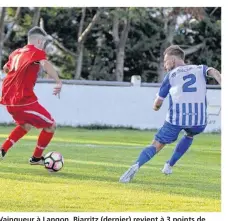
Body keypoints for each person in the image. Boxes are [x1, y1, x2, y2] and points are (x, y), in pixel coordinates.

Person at [119, 45, 221, 183]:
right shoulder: (200, 68)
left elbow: (158, 103)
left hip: (176, 120)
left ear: (173, 60)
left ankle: (135, 166)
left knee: (157, 144)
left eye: (166, 61)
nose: (165, 65)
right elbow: (213, 71)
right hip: (199, 121)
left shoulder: (171, 76)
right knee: (190, 134)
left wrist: (155, 106)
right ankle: (169, 165)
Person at [0, 26, 62, 165]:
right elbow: (45, 64)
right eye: (44, 42)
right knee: (51, 125)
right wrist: (58, 81)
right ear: (39, 41)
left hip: (8, 100)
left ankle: (2, 149)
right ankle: (36, 158)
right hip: (23, 100)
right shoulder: (36, 52)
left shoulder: (16, 53)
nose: (44, 46)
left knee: (26, 125)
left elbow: (5, 68)